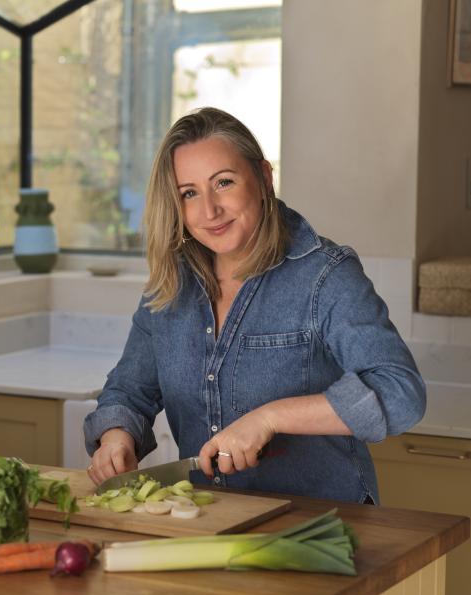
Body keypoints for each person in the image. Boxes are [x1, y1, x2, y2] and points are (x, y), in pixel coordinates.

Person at [83, 107, 425, 504]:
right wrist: (116, 438)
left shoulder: (325, 275)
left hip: (321, 525)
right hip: (208, 520)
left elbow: (402, 392)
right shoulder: (170, 282)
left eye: (223, 183)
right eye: (189, 193)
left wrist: (271, 417)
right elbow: (129, 391)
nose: (208, 211)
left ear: (263, 178)